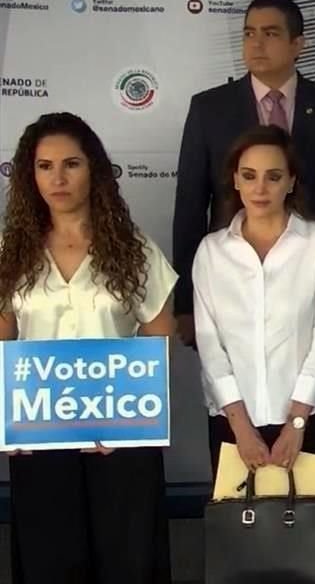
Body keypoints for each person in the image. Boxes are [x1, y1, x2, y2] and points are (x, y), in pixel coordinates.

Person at [0, 112, 177, 584]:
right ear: (29, 174)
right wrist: (9, 421)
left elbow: (160, 334)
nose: (57, 178)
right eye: (44, 166)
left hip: (121, 443)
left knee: (128, 562)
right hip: (39, 442)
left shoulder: (134, 248)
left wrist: (127, 415)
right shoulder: (10, 253)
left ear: (94, 170)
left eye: (71, 164)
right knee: (49, 564)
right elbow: (2, 341)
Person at [173, 0, 315, 352]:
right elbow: (190, 208)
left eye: (269, 33)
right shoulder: (209, 109)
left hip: (313, 283)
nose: (256, 44)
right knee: (233, 393)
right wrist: (186, 303)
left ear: (297, 44)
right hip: (230, 281)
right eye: (249, 33)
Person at [192, 124, 315, 566]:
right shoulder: (211, 252)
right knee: (243, 547)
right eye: (249, 175)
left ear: (292, 181)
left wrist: (296, 423)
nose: (260, 187)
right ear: (235, 180)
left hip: (312, 417)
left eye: (273, 176)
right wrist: (240, 427)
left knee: (313, 545)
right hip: (233, 421)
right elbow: (209, 342)